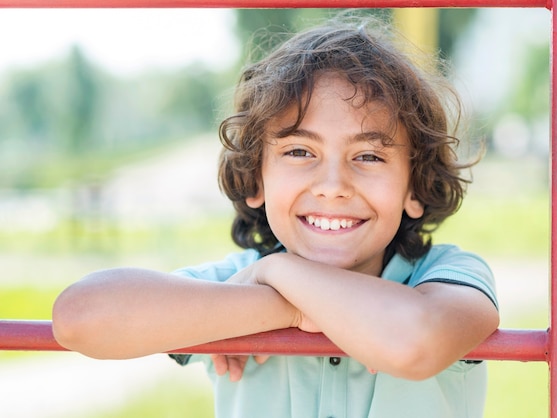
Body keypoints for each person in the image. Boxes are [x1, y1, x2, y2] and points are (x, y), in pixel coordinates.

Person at [52, 17, 499, 418]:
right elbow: (80, 317)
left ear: (415, 188)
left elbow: (414, 342)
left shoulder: (448, 276)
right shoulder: (237, 279)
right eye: (300, 151)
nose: (332, 184)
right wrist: (287, 305)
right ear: (256, 180)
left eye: (367, 155)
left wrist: (278, 270)